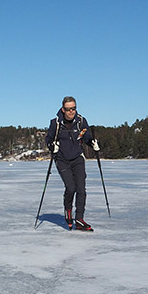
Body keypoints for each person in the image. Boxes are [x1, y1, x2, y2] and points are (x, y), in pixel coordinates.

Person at [44, 96, 95, 231]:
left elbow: (87, 136)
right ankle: (68, 210)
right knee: (70, 187)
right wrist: (52, 146)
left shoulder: (81, 121)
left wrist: (93, 143)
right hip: (62, 159)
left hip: (78, 157)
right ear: (63, 109)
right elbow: (48, 139)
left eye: (74, 108)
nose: (71, 111)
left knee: (81, 189)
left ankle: (79, 219)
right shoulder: (56, 123)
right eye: (68, 109)